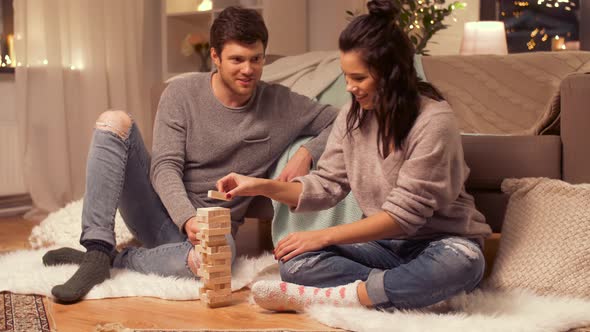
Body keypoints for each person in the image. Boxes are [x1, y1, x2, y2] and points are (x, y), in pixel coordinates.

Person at [42, 6, 338, 303]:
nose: (248, 70)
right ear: (215, 57)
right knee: (113, 121)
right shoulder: (181, 93)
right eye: (237, 59)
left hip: (215, 232)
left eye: (256, 59)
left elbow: (343, 119)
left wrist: (306, 152)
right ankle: (96, 251)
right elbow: (164, 167)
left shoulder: (280, 103)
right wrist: (186, 219)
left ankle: (114, 261)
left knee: (212, 263)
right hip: (158, 213)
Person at [216, 0, 492, 312]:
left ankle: (354, 296)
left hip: (443, 244)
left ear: (391, 74)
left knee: (463, 265)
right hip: (384, 249)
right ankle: (404, 291)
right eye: (347, 76)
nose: (350, 88)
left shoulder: (434, 122)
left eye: (359, 78)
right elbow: (326, 185)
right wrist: (260, 186)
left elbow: (404, 217)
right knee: (296, 263)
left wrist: (322, 236)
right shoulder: (353, 116)